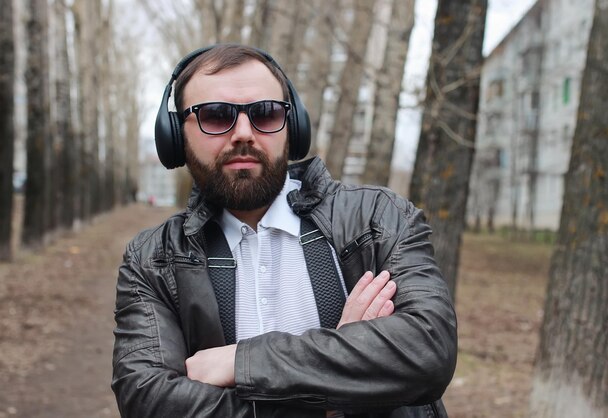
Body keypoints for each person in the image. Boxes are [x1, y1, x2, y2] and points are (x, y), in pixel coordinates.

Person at [112, 44, 457, 418]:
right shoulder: (153, 259)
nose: (244, 133)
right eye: (214, 116)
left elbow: (428, 350)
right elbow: (148, 400)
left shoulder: (377, 218)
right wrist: (339, 375)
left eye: (265, 113)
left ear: (292, 125)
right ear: (175, 135)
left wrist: (240, 363)